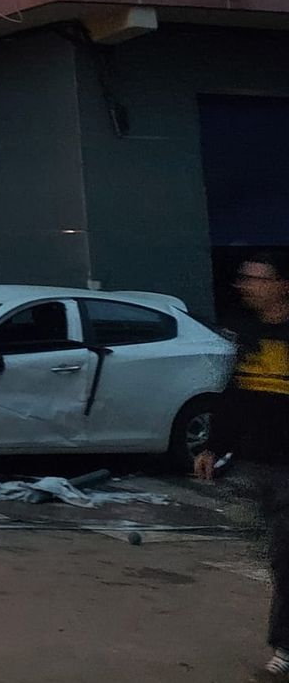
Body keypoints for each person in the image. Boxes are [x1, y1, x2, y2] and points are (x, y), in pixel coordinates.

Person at [196, 251, 289, 681]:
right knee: (278, 557)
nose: (247, 285)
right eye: (245, 278)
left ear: (282, 284)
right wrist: (213, 446)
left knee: (286, 556)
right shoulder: (248, 332)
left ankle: (285, 646)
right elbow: (235, 395)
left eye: (258, 278)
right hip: (261, 463)